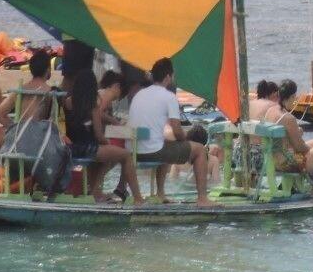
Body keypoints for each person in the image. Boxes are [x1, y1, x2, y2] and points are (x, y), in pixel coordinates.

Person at [127, 57, 216, 206]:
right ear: (168, 76)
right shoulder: (169, 96)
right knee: (199, 150)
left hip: (132, 150)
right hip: (151, 151)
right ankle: (202, 199)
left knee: (167, 144)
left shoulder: (140, 94)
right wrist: (185, 140)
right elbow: (177, 130)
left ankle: (161, 193)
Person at [64, 69, 145, 205]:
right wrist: (106, 142)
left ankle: (95, 192)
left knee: (106, 156)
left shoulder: (67, 102)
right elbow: (98, 135)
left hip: (72, 148)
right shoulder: (92, 107)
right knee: (125, 155)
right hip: (89, 148)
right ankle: (138, 198)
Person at [0, 50, 54, 128]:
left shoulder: (21, 90)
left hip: (21, 135)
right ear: (48, 69)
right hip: (41, 136)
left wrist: (15, 129)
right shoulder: (50, 91)